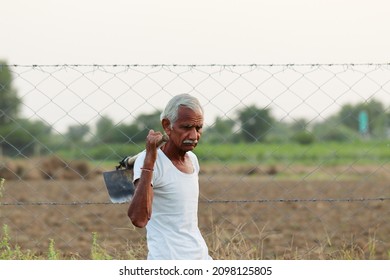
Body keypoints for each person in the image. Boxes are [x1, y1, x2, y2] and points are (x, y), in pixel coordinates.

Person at [127, 93, 212, 260]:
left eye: (198, 128)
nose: (194, 136)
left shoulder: (192, 160)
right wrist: (149, 161)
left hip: (200, 257)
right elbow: (138, 219)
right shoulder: (150, 162)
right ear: (167, 125)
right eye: (186, 127)